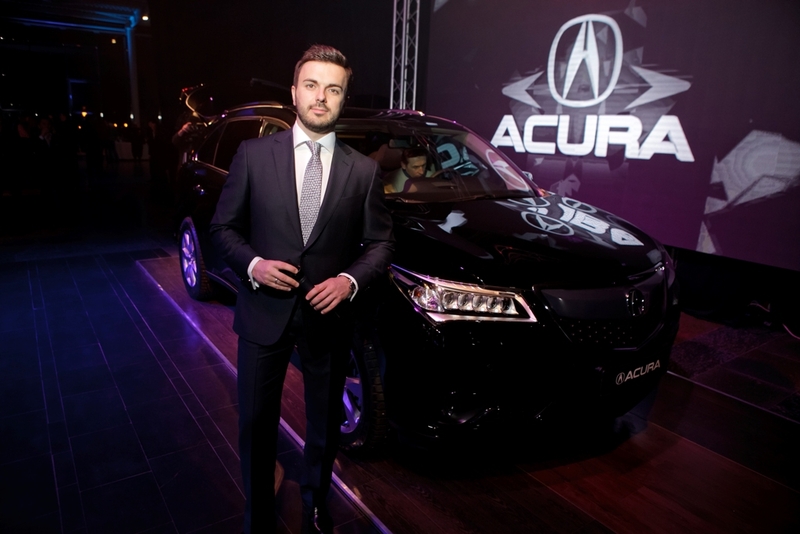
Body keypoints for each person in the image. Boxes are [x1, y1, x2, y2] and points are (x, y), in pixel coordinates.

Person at [209, 44, 394, 534]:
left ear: (343, 98)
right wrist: (253, 264)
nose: (321, 97)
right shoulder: (253, 156)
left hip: (327, 318)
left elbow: (381, 243)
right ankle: (257, 514)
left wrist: (349, 280)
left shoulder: (363, 170)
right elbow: (222, 229)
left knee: (324, 424)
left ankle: (314, 502)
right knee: (256, 423)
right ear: (294, 92)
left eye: (333, 89)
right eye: (311, 85)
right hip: (262, 312)